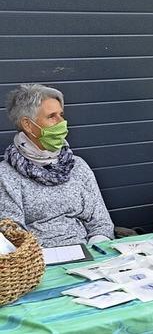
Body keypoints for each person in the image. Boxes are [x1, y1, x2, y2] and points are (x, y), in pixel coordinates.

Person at [0, 84, 114, 247]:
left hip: (87, 253)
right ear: (28, 124)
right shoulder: (6, 175)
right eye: (52, 116)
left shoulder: (78, 166)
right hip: (37, 261)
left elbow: (101, 223)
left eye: (61, 115)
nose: (62, 122)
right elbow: (12, 235)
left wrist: (95, 250)